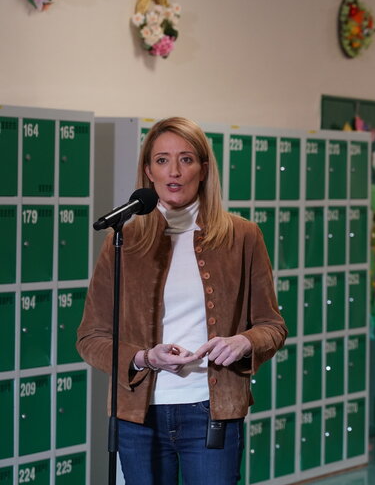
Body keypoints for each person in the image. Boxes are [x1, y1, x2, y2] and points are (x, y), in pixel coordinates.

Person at [77, 116, 287, 485]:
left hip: (211, 412)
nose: (174, 171)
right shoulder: (122, 239)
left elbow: (272, 326)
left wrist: (244, 342)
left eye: (186, 159)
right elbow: (91, 337)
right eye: (161, 160)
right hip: (138, 418)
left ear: (204, 169)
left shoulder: (243, 236)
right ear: (148, 170)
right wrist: (143, 358)